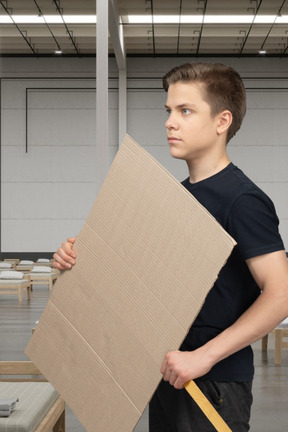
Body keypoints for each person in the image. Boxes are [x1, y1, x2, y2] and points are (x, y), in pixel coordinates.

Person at [53, 62, 288, 431]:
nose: (170, 122)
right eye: (169, 111)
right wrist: (77, 261)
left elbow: (280, 295)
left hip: (211, 383)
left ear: (222, 121)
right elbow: (140, 282)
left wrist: (202, 358)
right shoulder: (174, 197)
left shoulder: (242, 199)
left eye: (185, 111)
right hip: (166, 374)